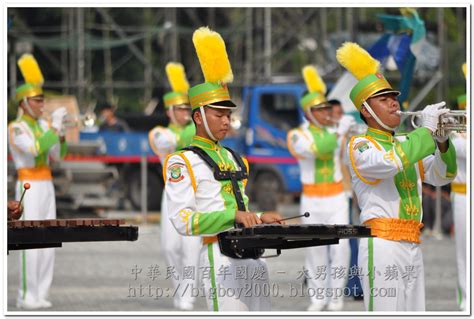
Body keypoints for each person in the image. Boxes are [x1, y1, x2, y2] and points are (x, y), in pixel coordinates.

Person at [165, 27, 284, 311]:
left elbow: (237, 208)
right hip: (220, 257)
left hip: (254, 256)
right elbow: (183, 220)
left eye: (228, 115)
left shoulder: (233, 157)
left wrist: (258, 217)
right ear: (198, 116)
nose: (226, 121)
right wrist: (235, 216)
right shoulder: (182, 162)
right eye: (219, 114)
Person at [336, 42, 457, 311]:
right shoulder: (360, 145)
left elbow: (442, 175)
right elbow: (391, 161)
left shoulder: (405, 141)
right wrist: (425, 132)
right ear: (366, 110)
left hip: (412, 242)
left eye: (394, 97)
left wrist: (442, 142)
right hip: (382, 244)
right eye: (384, 99)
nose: (394, 103)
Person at [287, 66, 355, 311]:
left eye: (327, 108)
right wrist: (340, 131)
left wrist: (348, 131)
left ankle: (336, 297)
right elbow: (317, 149)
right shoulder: (297, 134)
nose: (326, 113)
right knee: (314, 248)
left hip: (337, 195)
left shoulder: (337, 129)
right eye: (320, 110)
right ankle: (318, 298)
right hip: (312, 199)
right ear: (308, 113)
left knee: (342, 247)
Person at [8, 83, 68, 309]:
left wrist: (60, 134)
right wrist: (54, 129)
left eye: (43, 100)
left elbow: (58, 155)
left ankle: (42, 292)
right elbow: (34, 148)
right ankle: (26, 295)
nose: (42, 105)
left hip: (47, 184)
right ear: (24, 103)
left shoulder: (44, 125)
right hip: (28, 184)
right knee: (29, 239)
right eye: (38, 100)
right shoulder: (16, 127)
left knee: (48, 240)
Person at [148, 62, 199, 311]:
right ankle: (181, 290)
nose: (185, 113)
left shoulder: (195, 132)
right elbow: (171, 141)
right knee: (170, 247)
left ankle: (187, 295)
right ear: (169, 111)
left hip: (195, 195)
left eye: (188, 109)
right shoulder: (159, 133)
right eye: (180, 109)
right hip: (171, 195)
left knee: (191, 248)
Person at [451, 63, 467, 311]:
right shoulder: (456, 132)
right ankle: (466, 299)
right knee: (465, 249)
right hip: (464, 195)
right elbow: (462, 151)